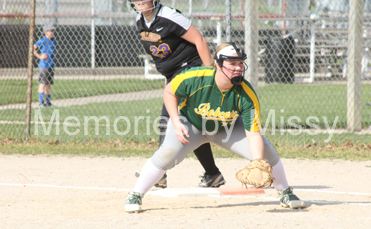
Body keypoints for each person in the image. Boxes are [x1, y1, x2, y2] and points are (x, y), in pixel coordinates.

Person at [124, 42, 311, 213]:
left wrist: (257, 161)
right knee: (167, 154)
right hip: (192, 124)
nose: (238, 68)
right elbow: (170, 92)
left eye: (240, 63)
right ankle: (136, 194)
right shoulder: (196, 77)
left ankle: (285, 192)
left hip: (226, 129)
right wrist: (176, 121)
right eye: (232, 63)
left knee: (267, 153)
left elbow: (253, 134)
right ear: (218, 65)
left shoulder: (246, 94)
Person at [127, 0, 225, 189]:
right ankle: (212, 173)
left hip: (190, 69)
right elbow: (162, 56)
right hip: (174, 75)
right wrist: (168, 80)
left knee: (167, 119)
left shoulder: (169, 16)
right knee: (191, 124)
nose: (141, 0)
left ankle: (159, 173)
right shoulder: (140, 21)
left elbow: (199, 39)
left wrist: (208, 74)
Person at [34, 23, 57, 108]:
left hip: (51, 65)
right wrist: (40, 56)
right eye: (50, 31)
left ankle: (48, 102)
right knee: (42, 84)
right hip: (44, 65)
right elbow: (33, 48)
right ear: (45, 32)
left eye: (53, 30)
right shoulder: (43, 40)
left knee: (48, 85)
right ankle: (41, 102)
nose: (52, 32)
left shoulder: (54, 41)